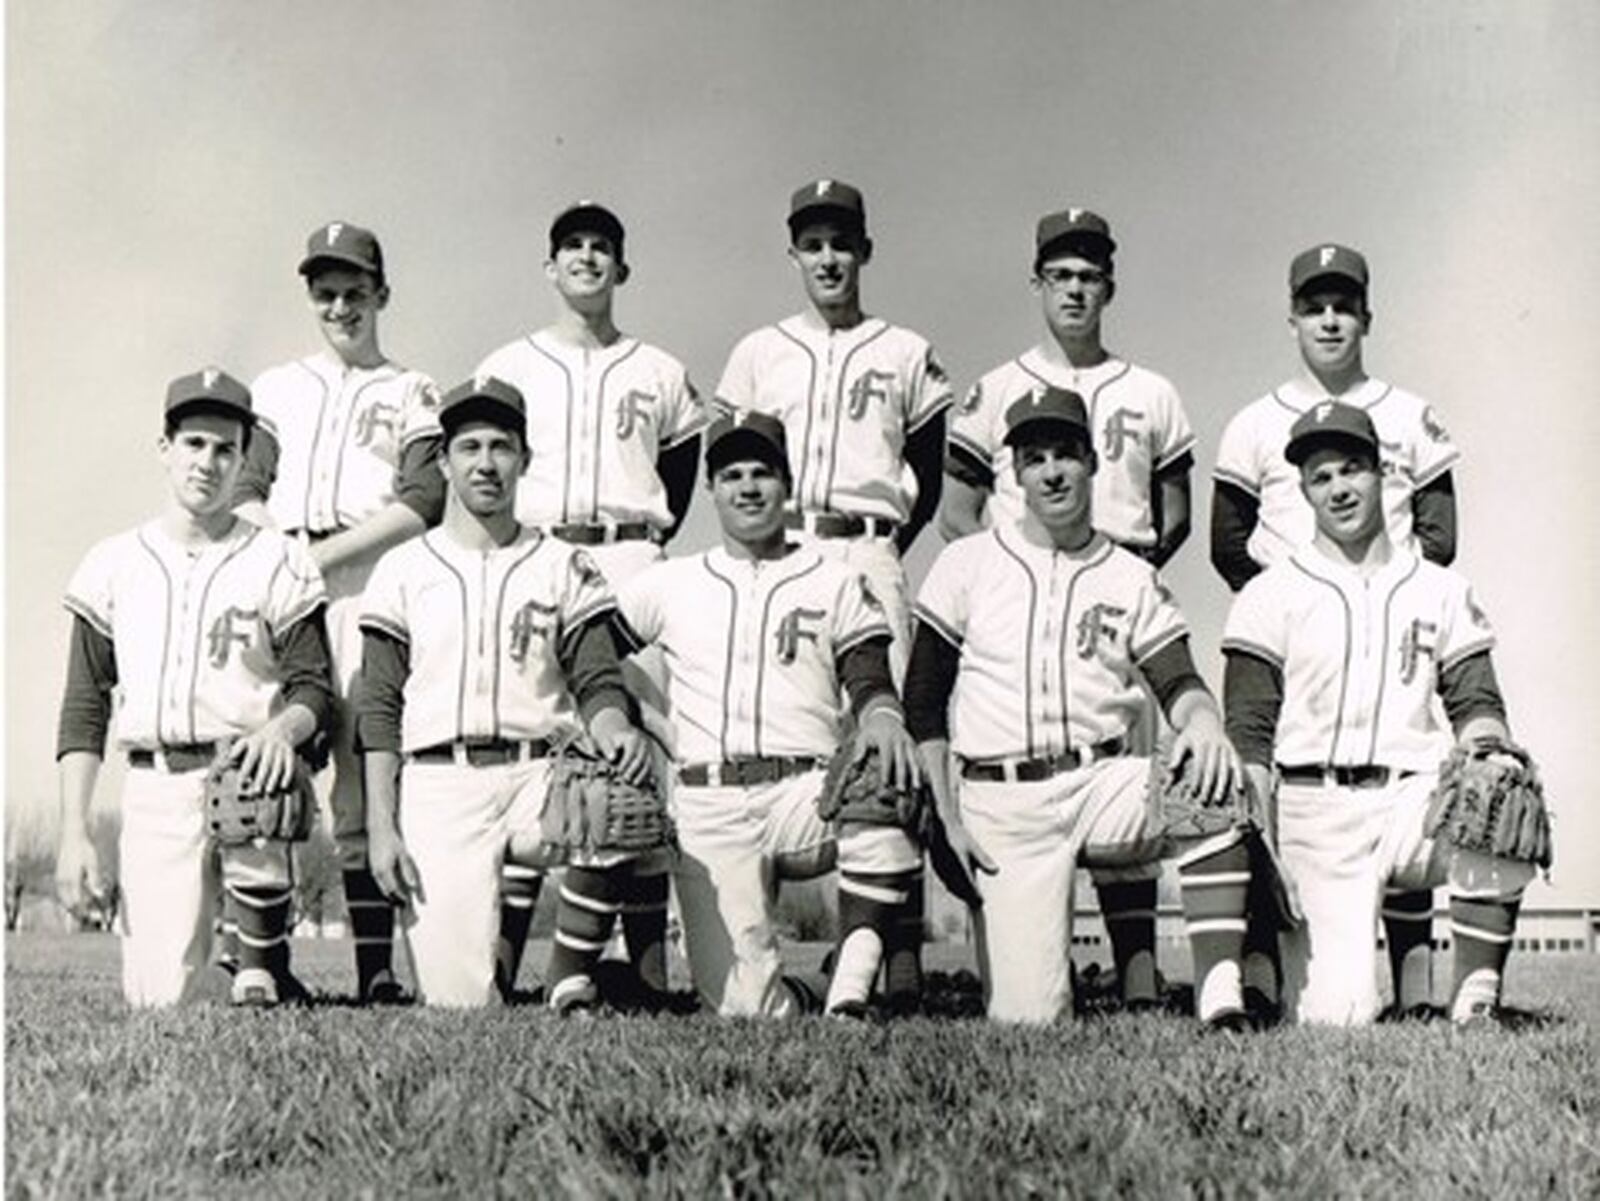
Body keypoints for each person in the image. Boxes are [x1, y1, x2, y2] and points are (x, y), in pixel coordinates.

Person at [904, 387, 1253, 1027]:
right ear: (1016, 474)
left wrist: (1203, 722)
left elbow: (1178, 679)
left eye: (1066, 454)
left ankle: (1220, 996)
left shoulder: (1128, 573)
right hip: (1003, 802)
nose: (1053, 471)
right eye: (1035, 459)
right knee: (1029, 1018)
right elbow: (923, 702)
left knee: (1211, 783)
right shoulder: (966, 563)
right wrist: (947, 815)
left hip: (1099, 783)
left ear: (1093, 462)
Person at [941, 208, 1197, 1008]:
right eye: (1061, 275)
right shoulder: (998, 386)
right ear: (1039, 284)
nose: (1076, 289)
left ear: (1109, 285)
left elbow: (1177, 508)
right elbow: (958, 510)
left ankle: (1140, 975)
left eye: (1090, 275)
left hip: (1117, 591)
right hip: (1021, 591)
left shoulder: (1150, 389)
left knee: (1131, 777)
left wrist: (1123, 574)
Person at [1221, 401, 1532, 1025]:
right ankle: (1264, 960)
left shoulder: (1439, 588)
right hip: (1313, 812)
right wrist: (1262, 845)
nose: (1339, 488)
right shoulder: (1269, 592)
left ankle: (1475, 1002)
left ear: (1383, 474)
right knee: (1336, 1018)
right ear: (1304, 491)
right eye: (1321, 476)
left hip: (1409, 803)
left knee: (1501, 789)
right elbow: (1249, 734)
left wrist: (1488, 746)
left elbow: (1477, 701)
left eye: (1352, 469)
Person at [355, 376, 661, 1009]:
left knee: (616, 799)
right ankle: (501, 972)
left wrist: (613, 727)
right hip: (440, 783)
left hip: (537, 776)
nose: (486, 463)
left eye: (501, 446)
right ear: (443, 461)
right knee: (457, 1005)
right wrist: (382, 826)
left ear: (525, 459)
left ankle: (570, 976)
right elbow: (379, 710)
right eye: (469, 447)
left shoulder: (561, 562)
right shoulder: (403, 569)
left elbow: (597, 675)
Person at [1212, 244, 1462, 1014]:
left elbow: (1442, 534)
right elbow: (1228, 543)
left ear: (1365, 316)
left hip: (1392, 623)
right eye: (1314, 305)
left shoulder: (1408, 411)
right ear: (1292, 317)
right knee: (1274, 779)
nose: (1329, 318)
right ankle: (1263, 966)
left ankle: (1421, 990)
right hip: (1299, 632)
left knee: (1405, 766)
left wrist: (1381, 593)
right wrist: (1299, 608)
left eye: (1343, 305)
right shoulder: (1255, 421)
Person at [613, 411, 927, 1017]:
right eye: (731, 475)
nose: (748, 487)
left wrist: (883, 715)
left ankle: (851, 989)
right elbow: (589, 650)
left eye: (763, 473)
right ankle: (810, 989)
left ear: (788, 483)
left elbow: (867, 673)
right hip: (710, 801)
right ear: (711, 489)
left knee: (884, 785)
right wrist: (639, 718)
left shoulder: (835, 578)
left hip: (806, 793)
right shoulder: (671, 582)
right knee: (747, 1012)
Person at [473, 201, 703, 995]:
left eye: (602, 247)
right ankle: (500, 961)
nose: (587, 258)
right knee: (543, 740)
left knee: (637, 755)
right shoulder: (509, 365)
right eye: (572, 246)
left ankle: (644, 966)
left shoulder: (662, 371)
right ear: (550, 266)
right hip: (540, 548)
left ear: (621, 268)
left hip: (631, 548)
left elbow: (678, 478)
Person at [55, 368, 335, 1007]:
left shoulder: (278, 558)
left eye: (225, 449)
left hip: (250, 780)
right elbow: (84, 705)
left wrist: (283, 731)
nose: (208, 462)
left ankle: (263, 957)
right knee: (160, 1000)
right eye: (194, 444)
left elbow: (315, 689)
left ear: (243, 460)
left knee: (250, 993)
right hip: (156, 785)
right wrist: (73, 830)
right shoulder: (112, 562)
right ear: (165, 448)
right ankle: (255, 965)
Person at [236, 221, 445, 1004]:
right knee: (263, 749)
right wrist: (275, 554)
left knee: (360, 772)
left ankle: (375, 968)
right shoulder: (278, 386)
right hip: (282, 579)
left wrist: (316, 558)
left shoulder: (410, 387)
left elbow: (425, 498)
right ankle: (257, 955)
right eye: (325, 292)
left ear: (381, 294)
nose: (340, 305)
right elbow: (248, 484)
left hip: (363, 580)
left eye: (355, 291)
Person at [713, 179, 953, 676]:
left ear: (864, 251)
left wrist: (878, 540)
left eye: (841, 245)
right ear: (793, 256)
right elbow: (724, 466)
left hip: (869, 547)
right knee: (791, 709)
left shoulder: (905, 350)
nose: (827, 260)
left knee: (882, 716)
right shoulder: (758, 351)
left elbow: (928, 479)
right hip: (783, 545)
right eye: (813, 246)